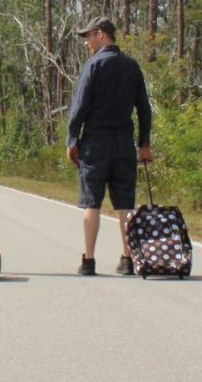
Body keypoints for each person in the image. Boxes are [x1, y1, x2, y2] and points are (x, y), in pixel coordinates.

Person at [66, 16, 153, 276]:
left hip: (95, 142)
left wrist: (72, 140)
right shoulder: (131, 66)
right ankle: (127, 259)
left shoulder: (93, 65)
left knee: (92, 203)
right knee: (124, 203)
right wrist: (144, 143)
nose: (86, 42)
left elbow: (79, 106)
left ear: (101, 34)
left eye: (88, 36)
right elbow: (144, 108)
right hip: (124, 142)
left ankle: (89, 260)